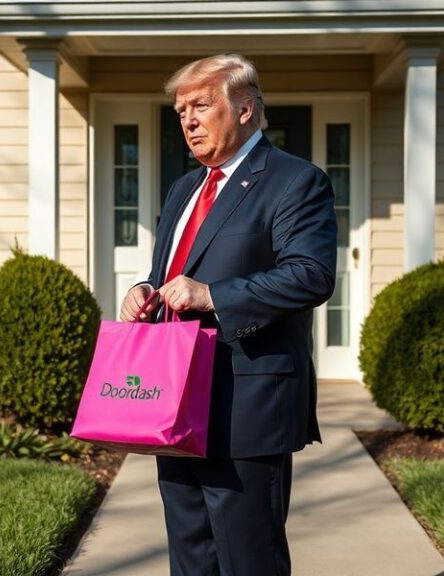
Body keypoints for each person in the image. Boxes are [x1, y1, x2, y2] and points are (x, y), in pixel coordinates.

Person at [119, 54, 337, 576]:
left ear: (245, 109)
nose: (188, 120)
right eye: (180, 111)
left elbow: (310, 275)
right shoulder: (183, 189)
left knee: (248, 559)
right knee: (190, 556)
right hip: (174, 401)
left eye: (201, 106)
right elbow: (172, 271)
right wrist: (145, 290)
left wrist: (212, 295)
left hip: (246, 404)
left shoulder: (295, 181)